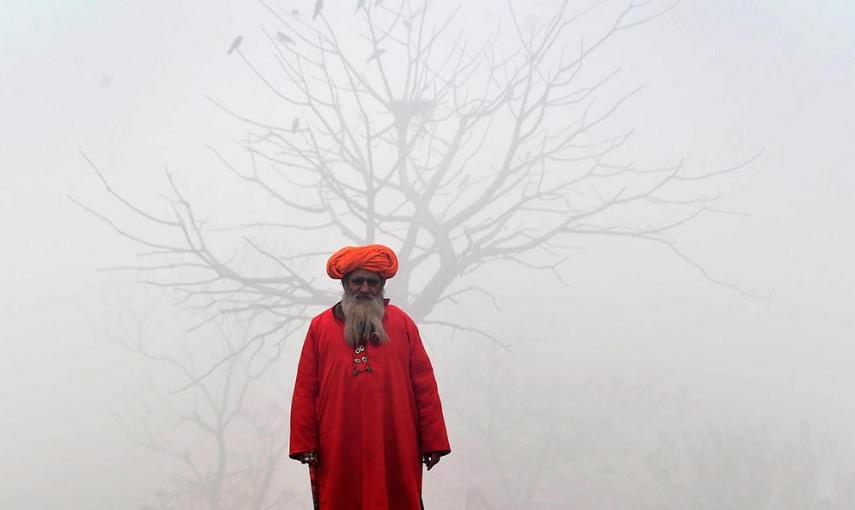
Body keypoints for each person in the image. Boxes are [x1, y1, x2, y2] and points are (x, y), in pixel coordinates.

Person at [289, 244, 451, 509]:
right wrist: (304, 442)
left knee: (398, 496)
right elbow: (306, 389)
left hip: (396, 437)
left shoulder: (402, 324)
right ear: (344, 283)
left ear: (382, 285)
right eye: (357, 281)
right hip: (337, 440)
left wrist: (433, 441)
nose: (365, 288)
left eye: (372, 282)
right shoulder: (319, 328)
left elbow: (425, 386)